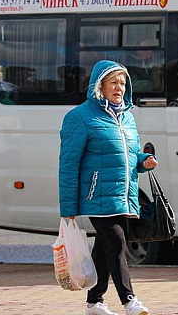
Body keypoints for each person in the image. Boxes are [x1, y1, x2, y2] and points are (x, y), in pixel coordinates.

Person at [59, 60, 158, 315]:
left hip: (122, 195)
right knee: (116, 241)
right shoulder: (79, 118)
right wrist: (68, 209)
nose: (119, 88)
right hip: (95, 196)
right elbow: (68, 166)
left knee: (104, 249)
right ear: (99, 86)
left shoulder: (127, 118)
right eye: (113, 82)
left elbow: (129, 154)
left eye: (123, 83)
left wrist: (143, 161)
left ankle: (95, 302)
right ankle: (129, 301)